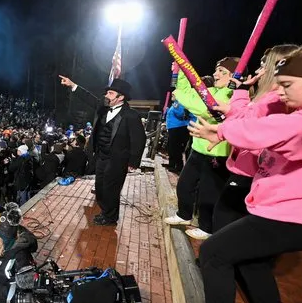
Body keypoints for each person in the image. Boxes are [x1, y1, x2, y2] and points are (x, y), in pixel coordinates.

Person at [180, 43, 302, 303]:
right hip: (290, 211)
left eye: (287, 85)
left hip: (300, 215)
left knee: (214, 252)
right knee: (250, 258)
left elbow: (280, 129)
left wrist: (224, 132)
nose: (279, 92)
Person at [208, 45, 298, 232]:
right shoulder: (267, 97)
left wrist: (222, 131)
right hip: (247, 168)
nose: (258, 71)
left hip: (250, 170)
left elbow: (250, 127)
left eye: (263, 65)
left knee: (225, 221)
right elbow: (245, 117)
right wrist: (238, 97)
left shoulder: (275, 100)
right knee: (226, 220)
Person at [163, 57, 237, 240]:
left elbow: (204, 108)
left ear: (234, 76)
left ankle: (206, 226)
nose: (216, 74)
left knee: (208, 193)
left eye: (223, 72)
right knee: (184, 184)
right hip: (198, 149)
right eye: (217, 70)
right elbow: (187, 93)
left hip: (217, 153)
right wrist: (179, 73)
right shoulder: (211, 90)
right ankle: (184, 215)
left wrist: (182, 97)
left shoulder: (232, 95)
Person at [59, 76, 146, 226]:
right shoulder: (103, 108)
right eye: (107, 93)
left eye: (111, 93)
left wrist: (133, 161)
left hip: (118, 159)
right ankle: (105, 211)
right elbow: (89, 98)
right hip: (101, 156)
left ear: (121, 97)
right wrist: (73, 85)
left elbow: (139, 140)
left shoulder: (131, 116)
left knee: (111, 189)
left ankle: (110, 217)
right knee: (100, 186)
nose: (106, 95)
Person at [164, 96, 194, 174]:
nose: (172, 95)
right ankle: (172, 164)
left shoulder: (179, 103)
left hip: (178, 128)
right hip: (173, 127)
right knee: (171, 147)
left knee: (176, 148)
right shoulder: (175, 103)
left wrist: (175, 107)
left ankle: (178, 166)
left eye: (174, 94)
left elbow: (181, 114)